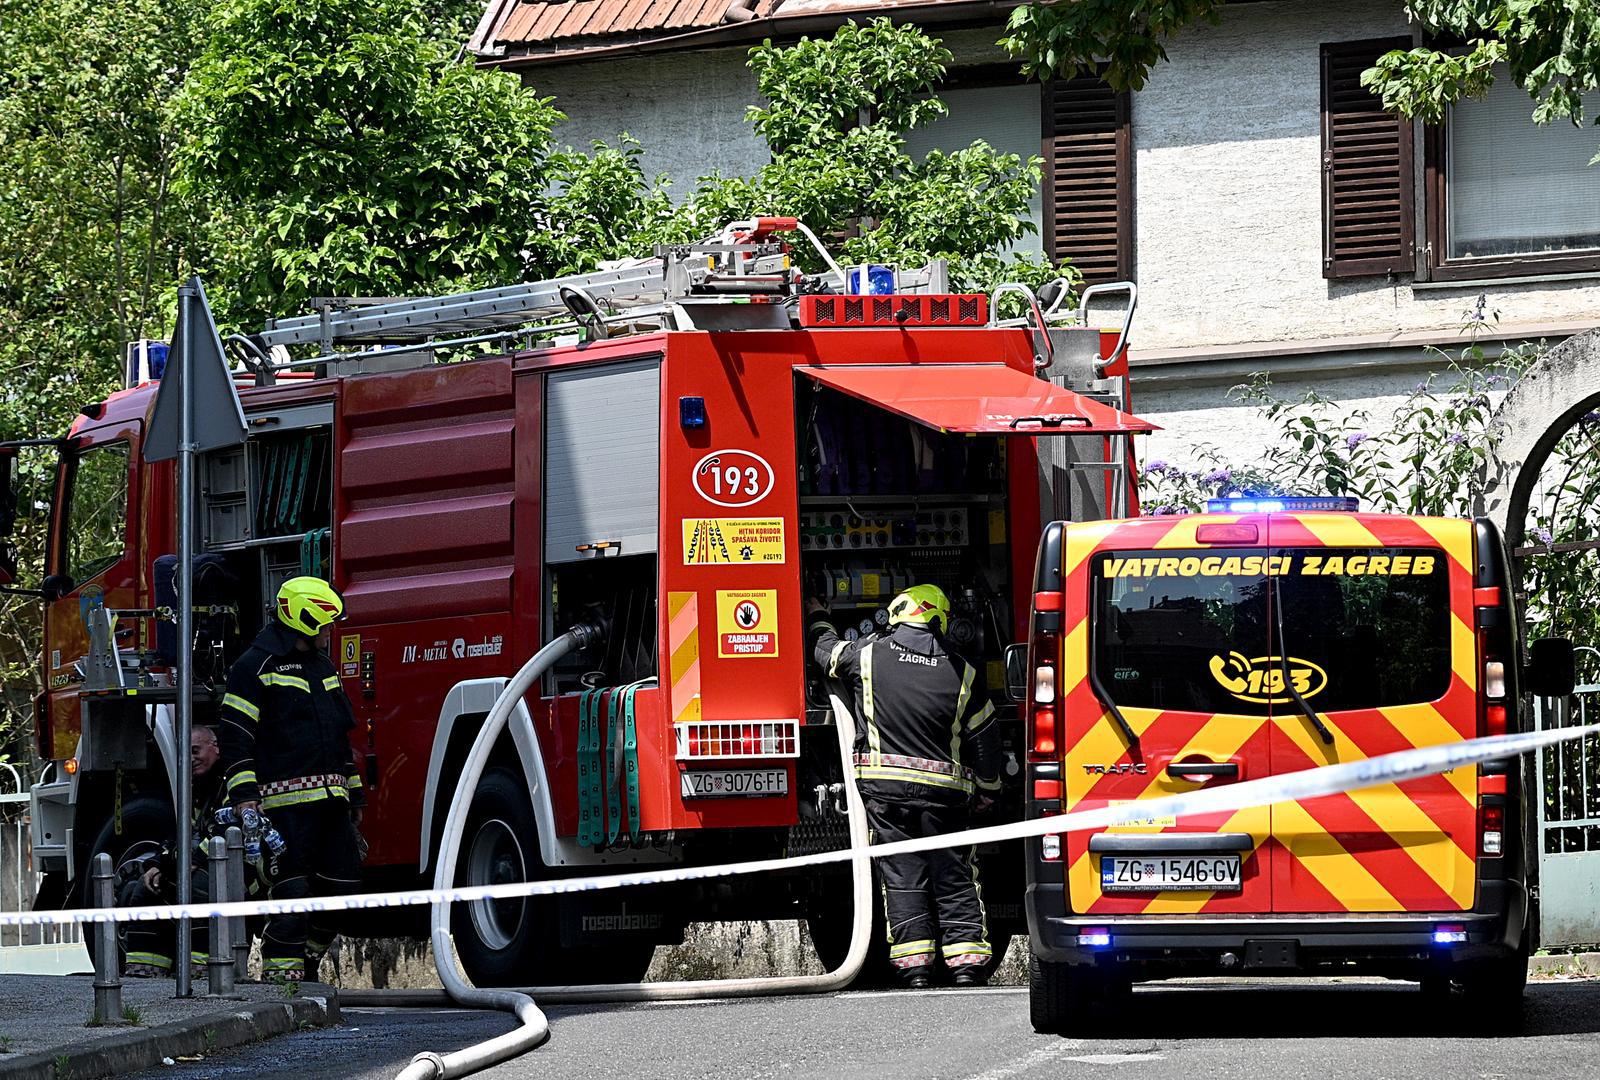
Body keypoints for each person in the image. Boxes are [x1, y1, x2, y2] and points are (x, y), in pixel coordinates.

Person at [807, 584, 1001, 989]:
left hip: (887, 795)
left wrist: (818, 615)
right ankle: (966, 965)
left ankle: (916, 968)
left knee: (902, 875)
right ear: (940, 620)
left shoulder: (867, 656)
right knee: (954, 875)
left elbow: (825, 651)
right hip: (945, 798)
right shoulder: (963, 671)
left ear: (898, 614)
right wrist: (988, 789)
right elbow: (984, 739)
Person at [217, 575, 366, 983]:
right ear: (304, 621)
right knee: (292, 894)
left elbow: (339, 734)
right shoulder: (254, 667)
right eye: (325, 624)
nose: (330, 632)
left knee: (343, 890)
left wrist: (354, 799)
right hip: (282, 811)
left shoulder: (323, 666)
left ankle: (308, 958)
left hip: (330, 807)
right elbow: (237, 737)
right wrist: (246, 800)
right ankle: (285, 985)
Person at [118, 725, 227, 978]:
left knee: (194, 891)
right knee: (143, 890)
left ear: (216, 748)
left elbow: (225, 832)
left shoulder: (231, 784)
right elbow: (179, 836)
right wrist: (157, 864)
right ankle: (144, 978)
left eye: (195, 750)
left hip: (234, 870)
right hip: (199, 865)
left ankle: (201, 976)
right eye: (185, 753)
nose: (190, 758)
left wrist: (193, 860)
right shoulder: (195, 789)